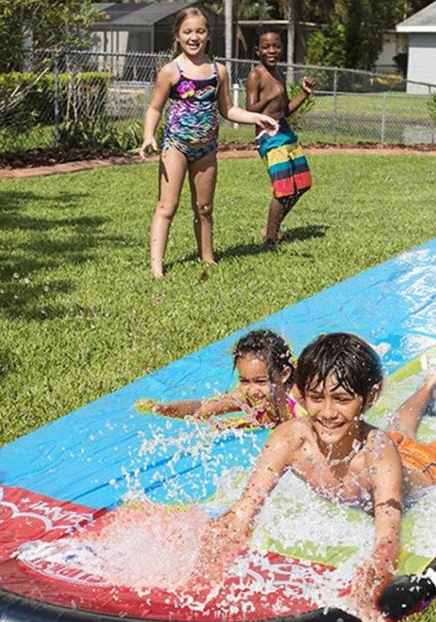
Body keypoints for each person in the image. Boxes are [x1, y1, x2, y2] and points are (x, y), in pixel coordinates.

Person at [196, 333, 436, 622]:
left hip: (418, 469)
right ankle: (429, 385)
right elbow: (244, 510)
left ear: (369, 398)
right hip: (378, 443)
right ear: (302, 393)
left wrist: (363, 593)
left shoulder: (377, 456)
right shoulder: (290, 438)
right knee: (399, 428)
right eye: (317, 398)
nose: (328, 413)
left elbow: (387, 542)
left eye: (343, 400)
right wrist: (203, 574)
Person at [141, 7, 279, 278]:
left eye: (200, 31)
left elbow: (228, 109)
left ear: (208, 35)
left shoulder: (218, 71)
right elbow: (155, 108)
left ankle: (208, 257)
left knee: (204, 208)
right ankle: (157, 266)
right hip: (176, 147)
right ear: (178, 36)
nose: (194, 37)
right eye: (188, 32)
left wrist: (256, 117)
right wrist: (148, 135)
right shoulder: (171, 71)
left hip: (206, 149)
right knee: (167, 207)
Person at [136, 329, 306, 428]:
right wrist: (164, 408)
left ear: (284, 375)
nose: (252, 390)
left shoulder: (302, 395)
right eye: (245, 381)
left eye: (261, 381)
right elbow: (202, 409)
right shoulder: (245, 397)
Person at [245, 27, 315, 245]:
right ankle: (271, 238)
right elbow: (249, 110)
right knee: (283, 188)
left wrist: (304, 93)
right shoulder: (256, 75)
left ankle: (271, 228)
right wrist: (268, 98)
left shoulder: (279, 73)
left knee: (302, 183)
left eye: (276, 46)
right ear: (258, 50)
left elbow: (284, 111)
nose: (272, 50)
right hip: (269, 135)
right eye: (266, 47)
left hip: (285, 131)